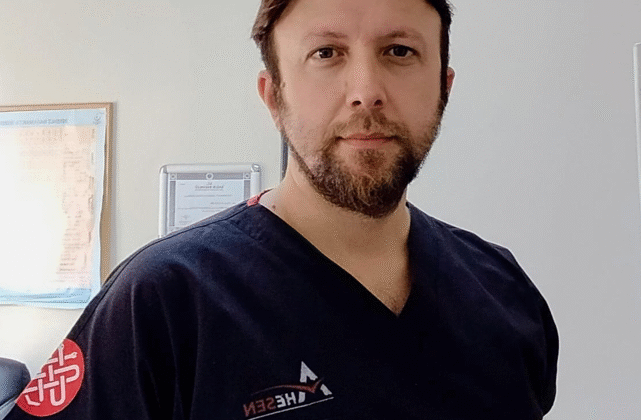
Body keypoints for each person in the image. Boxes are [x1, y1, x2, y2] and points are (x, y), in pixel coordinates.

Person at [6, 0, 558, 419]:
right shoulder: (163, 300)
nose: (366, 91)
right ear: (273, 96)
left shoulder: (504, 291)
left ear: (444, 87)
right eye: (327, 53)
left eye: (399, 51)